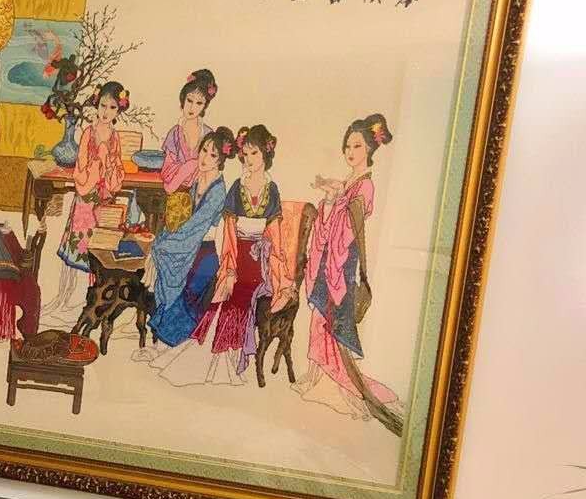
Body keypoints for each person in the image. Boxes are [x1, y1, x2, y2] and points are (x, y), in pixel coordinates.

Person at [294, 114, 405, 435]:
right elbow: (329, 224)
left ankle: (335, 385)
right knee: (318, 320)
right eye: (347, 146)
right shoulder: (349, 182)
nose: (350, 151)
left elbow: (346, 230)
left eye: (357, 146)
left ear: (369, 148)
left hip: (342, 264)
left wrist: (335, 201)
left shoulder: (365, 185)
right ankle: (317, 376)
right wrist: (330, 201)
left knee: (331, 320)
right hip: (328, 259)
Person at [160, 124, 281, 386]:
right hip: (236, 253)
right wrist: (229, 266)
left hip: (261, 257)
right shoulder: (237, 186)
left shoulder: (272, 189)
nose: (249, 159)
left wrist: (274, 262)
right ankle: (212, 353)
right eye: (246, 154)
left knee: (248, 292)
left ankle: (234, 354)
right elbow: (228, 228)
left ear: (266, 154)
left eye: (255, 153)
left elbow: (275, 231)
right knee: (227, 289)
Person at [134, 126, 236, 366]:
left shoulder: (218, 190)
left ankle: (167, 345)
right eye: (204, 150)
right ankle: (159, 343)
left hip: (206, 251)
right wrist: (165, 240)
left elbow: (196, 227)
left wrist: (166, 245)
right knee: (160, 251)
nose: (205, 157)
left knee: (174, 267)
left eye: (212, 155)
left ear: (220, 160)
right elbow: (181, 219)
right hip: (187, 243)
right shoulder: (196, 181)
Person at [48, 81, 128, 320]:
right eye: (103, 105)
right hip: (86, 200)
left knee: (99, 250)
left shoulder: (115, 137)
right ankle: (68, 298)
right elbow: (80, 172)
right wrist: (97, 164)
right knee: (79, 247)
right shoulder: (88, 133)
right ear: (97, 104)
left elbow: (118, 171)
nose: (106, 112)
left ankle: (92, 302)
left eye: (112, 107)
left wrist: (109, 168)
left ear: (118, 110)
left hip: (103, 202)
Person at [160, 69, 218, 195]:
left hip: (201, 191)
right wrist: (189, 167)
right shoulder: (174, 133)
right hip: (175, 192)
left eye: (199, 103)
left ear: (204, 106)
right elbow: (166, 172)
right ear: (183, 99)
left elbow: (212, 170)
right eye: (189, 100)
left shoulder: (208, 134)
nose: (192, 108)